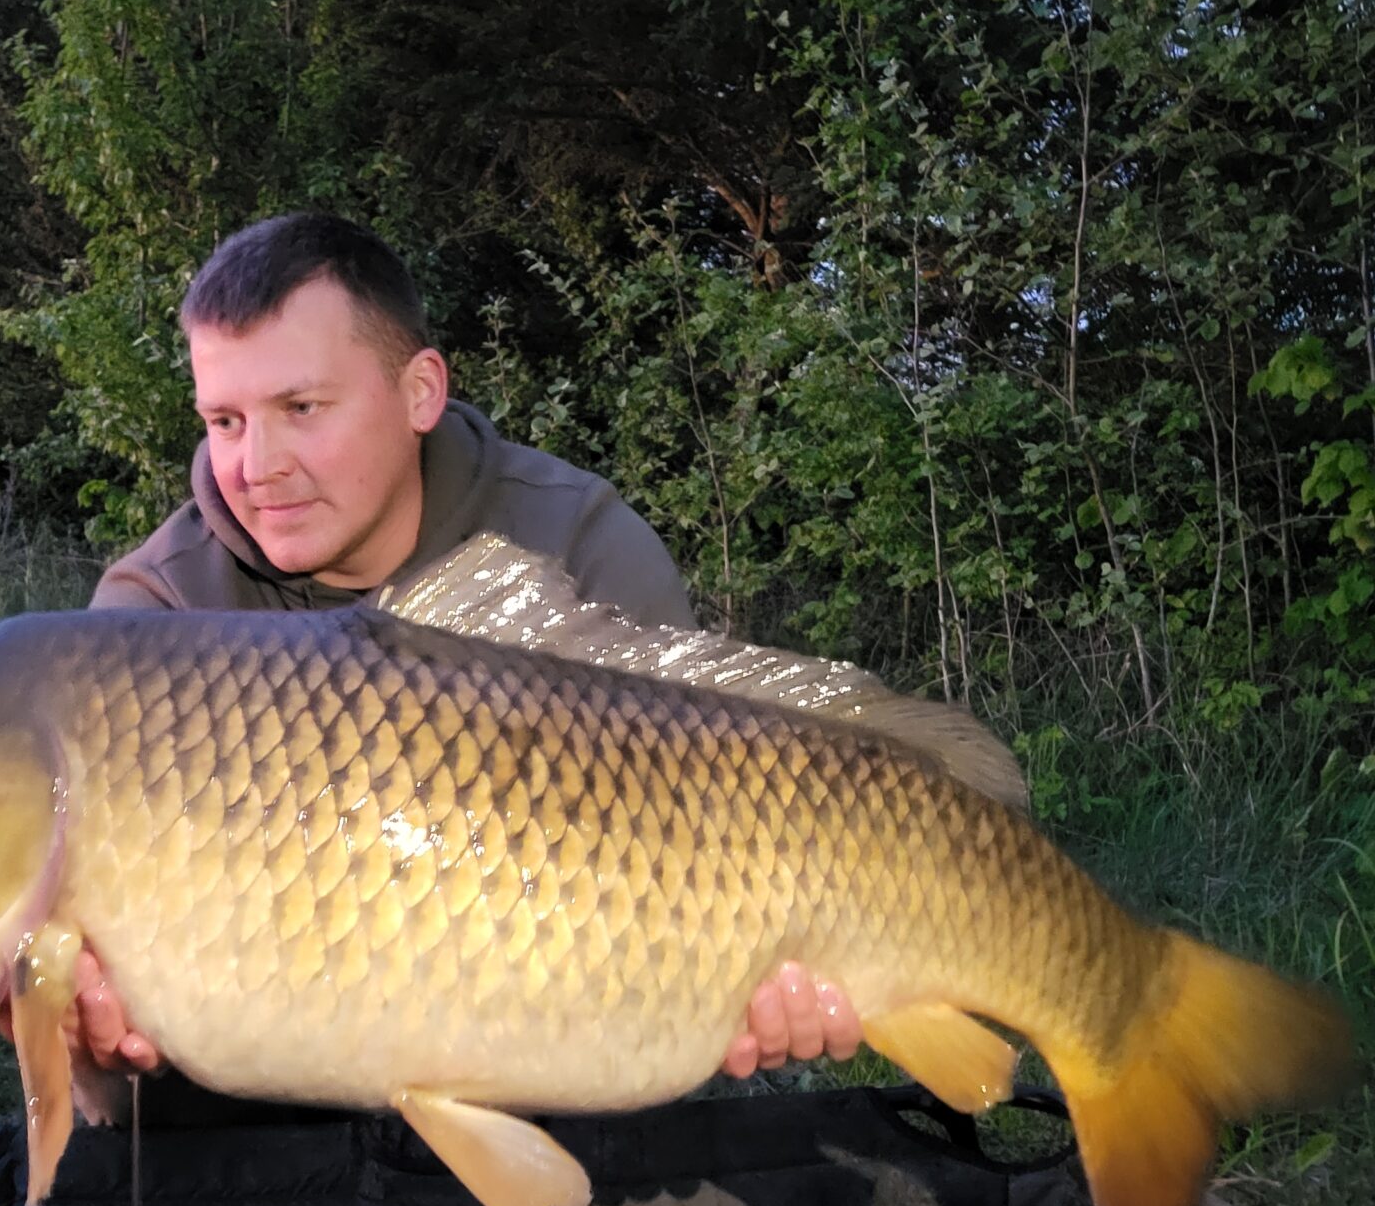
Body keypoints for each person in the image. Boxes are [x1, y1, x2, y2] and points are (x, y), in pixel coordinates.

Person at [46, 211, 860, 1105]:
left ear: (420, 393)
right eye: (225, 421)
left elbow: (717, 829)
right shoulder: (153, 623)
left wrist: (764, 988)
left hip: (572, 1034)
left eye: (301, 409)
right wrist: (93, 1043)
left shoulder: (576, 544)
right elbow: (107, 1060)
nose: (256, 465)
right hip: (268, 1113)